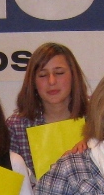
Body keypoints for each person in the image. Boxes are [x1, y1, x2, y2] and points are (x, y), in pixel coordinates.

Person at [6, 42, 90, 181]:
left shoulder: (97, 117)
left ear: (73, 75)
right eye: (42, 75)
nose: (51, 81)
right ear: (33, 81)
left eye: (59, 73)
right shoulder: (16, 126)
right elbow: (10, 184)